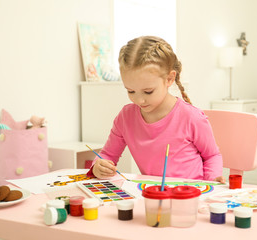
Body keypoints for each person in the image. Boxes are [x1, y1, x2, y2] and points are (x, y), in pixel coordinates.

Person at [86, 36, 225, 183]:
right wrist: (98, 166)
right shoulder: (125, 117)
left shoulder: (191, 117)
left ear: (169, 79)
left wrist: (211, 181)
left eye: (148, 91)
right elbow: (107, 155)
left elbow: (212, 156)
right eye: (131, 91)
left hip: (191, 195)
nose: (139, 100)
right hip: (152, 194)